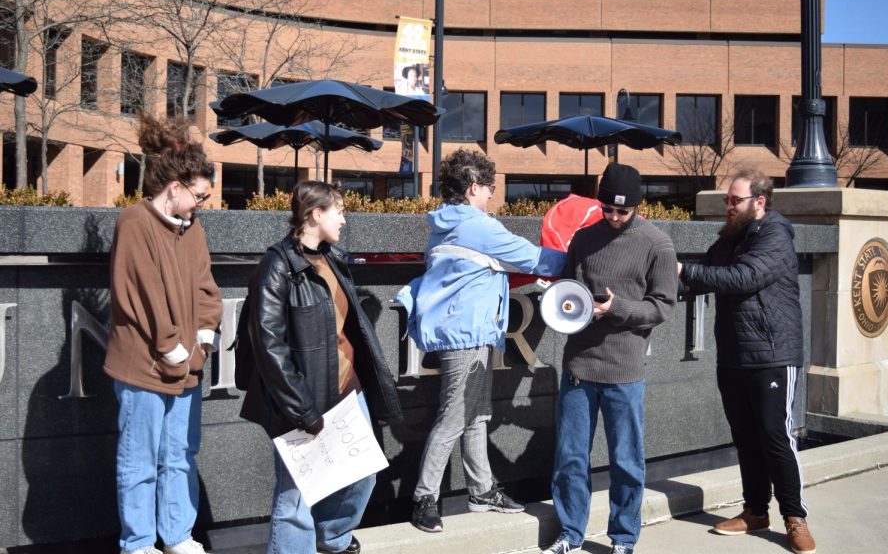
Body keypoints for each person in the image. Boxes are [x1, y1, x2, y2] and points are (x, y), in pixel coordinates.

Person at [397, 149, 567, 533]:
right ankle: (424, 497)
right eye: (490, 188)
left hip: (465, 330)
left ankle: (482, 488)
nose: (493, 195)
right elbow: (535, 259)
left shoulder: (444, 223)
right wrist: (579, 258)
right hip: (468, 332)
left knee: (477, 413)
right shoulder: (478, 227)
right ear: (474, 187)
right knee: (456, 415)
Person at [239, 181, 403, 554]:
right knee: (295, 497)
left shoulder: (332, 259)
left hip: (347, 388)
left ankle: (331, 538)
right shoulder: (276, 266)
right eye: (338, 211)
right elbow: (269, 347)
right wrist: (302, 409)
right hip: (303, 396)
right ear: (316, 214)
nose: (344, 219)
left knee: (364, 473)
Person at [678, 168, 815, 554]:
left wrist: (685, 270)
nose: (728, 205)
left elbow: (743, 277)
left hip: (773, 354)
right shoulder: (729, 238)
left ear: (759, 201)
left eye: (734, 200)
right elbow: (702, 277)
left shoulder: (775, 235)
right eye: (726, 199)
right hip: (734, 355)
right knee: (746, 439)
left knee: (775, 435)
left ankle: (795, 517)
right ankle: (755, 510)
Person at [543, 163, 677, 554]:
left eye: (623, 211)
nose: (614, 217)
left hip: (625, 369)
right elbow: (569, 288)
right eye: (608, 209)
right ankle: (570, 533)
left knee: (625, 461)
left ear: (638, 206)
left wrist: (618, 308)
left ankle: (623, 538)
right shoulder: (583, 239)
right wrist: (563, 302)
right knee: (569, 457)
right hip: (579, 366)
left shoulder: (658, 244)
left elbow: (662, 307)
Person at [104, 114, 222, 554]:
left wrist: (205, 337)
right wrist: (171, 345)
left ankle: (176, 535)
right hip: (143, 366)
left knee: (179, 455)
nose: (201, 204)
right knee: (139, 460)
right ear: (175, 187)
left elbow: (206, 287)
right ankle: (137, 544)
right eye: (198, 195)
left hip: (187, 365)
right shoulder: (134, 222)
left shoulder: (193, 231)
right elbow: (138, 292)